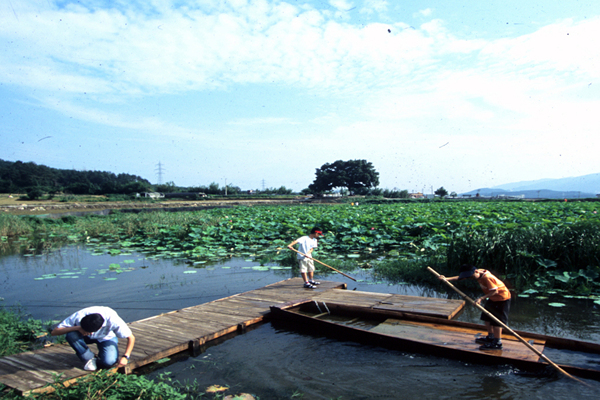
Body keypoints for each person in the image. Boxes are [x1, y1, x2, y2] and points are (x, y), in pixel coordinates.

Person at [439, 264, 511, 350]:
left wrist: (481, 298)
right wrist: (447, 279)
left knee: (497, 321)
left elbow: (495, 291)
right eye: (469, 277)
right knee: (486, 318)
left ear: (476, 271)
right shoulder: (477, 273)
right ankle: (491, 337)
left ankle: (497, 343)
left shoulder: (487, 278)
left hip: (502, 299)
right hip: (492, 298)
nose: (471, 278)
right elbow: (462, 277)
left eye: (471, 276)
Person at [51, 306, 136, 371]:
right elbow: (54, 332)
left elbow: (131, 338)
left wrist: (125, 357)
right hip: (85, 337)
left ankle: (100, 357)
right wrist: (77, 328)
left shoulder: (113, 319)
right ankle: (89, 358)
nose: (90, 333)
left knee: (109, 362)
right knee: (71, 335)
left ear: (99, 328)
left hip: (106, 337)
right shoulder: (79, 315)